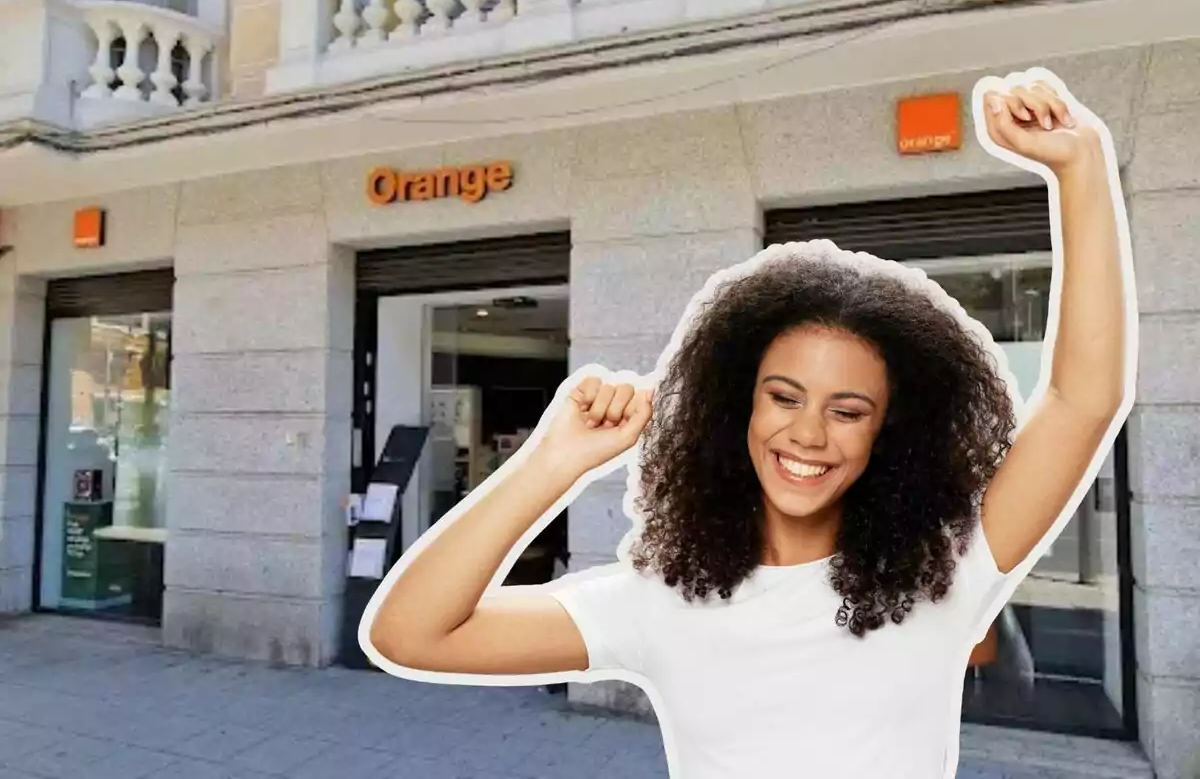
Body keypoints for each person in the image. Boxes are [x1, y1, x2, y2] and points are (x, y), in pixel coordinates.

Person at [365, 75, 1132, 779]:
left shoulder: (950, 568)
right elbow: (411, 634)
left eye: (849, 410)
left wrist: (1081, 167)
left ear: (889, 433)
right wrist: (550, 464)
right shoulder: (659, 601)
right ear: (739, 408)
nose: (808, 434)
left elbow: (1081, 400)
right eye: (784, 397)